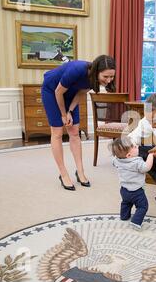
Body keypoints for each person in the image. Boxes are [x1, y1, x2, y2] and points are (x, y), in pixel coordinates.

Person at [42, 55, 116, 191]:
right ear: (96, 71)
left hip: (71, 93)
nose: (109, 80)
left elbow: (81, 93)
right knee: (57, 132)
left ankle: (80, 172)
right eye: (106, 77)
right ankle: (63, 174)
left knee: (74, 132)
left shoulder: (94, 79)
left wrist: (70, 110)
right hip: (52, 91)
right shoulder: (77, 69)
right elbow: (58, 92)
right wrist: (63, 115)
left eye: (111, 77)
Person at [110, 136, 154, 230]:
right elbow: (146, 168)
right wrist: (150, 156)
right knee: (143, 206)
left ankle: (124, 216)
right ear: (129, 155)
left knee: (126, 203)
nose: (137, 146)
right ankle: (136, 222)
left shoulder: (117, 160)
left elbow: (113, 160)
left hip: (124, 190)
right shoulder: (137, 162)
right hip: (137, 191)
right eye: (134, 147)